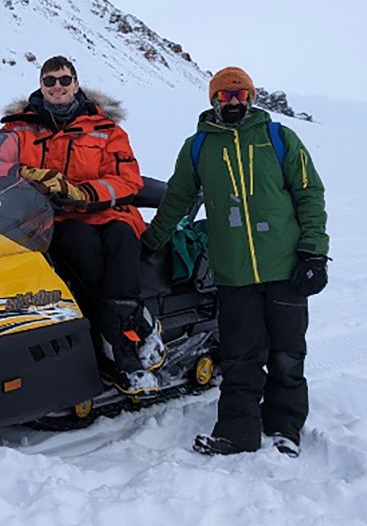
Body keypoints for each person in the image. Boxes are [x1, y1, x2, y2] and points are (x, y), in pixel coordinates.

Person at [141, 66, 329, 458]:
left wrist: (314, 251)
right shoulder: (199, 146)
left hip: (285, 266)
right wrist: (149, 243)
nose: (234, 102)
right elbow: (177, 199)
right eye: (226, 96)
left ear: (251, 98)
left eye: (241, 95)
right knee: (240, 356)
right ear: (213, 99)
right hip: (233, 271)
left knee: (288, 353)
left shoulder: (279, 138)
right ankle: (237, 432)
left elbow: (309, 193)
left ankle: (284, 428)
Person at [0, 55, 166, 396]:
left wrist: (83, 192)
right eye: (50, 81)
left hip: (105, 213)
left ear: (76, 84)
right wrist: (21, 174)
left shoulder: (105, 130)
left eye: (64, 80)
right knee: (81, 246)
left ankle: (127, 337)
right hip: (49, 219)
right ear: (41, 86)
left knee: (122, 239)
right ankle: (118, 333)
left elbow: (127, 179)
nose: (58, 87)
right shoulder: (20, 129)